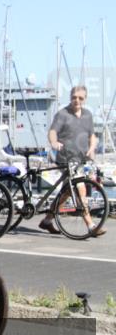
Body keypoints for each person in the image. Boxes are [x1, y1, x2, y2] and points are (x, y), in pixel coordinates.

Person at [39, 85, 103, 236]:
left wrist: (92, 147)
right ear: (70, 97)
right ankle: (91, 225)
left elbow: (92, 135)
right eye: (74, 97)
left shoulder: (87, 115)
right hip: (65, 158)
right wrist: (54, 142)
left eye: (80, 98)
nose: (77, 100)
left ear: (85, 99)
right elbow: (53, 132)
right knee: (79, 187)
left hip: (80, 159)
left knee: (67, 191)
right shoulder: (62, 114)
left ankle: (47, 221)